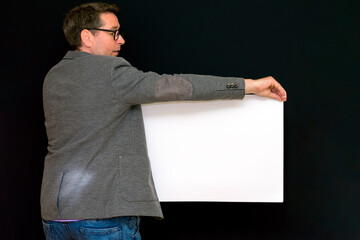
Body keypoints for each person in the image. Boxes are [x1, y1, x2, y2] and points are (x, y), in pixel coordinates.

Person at [41, 2, 287, 240]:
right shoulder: (112, 73)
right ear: (87, 36)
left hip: (56, 217)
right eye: (113, 33)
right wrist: (249, 86)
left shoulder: (53, 76)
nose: (121, 40)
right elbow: (178, 86)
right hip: (103, 217)